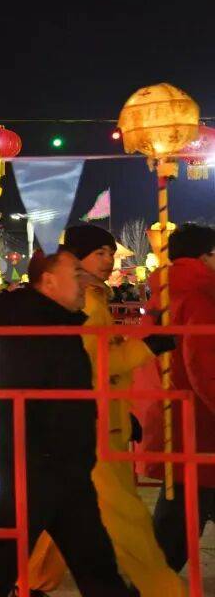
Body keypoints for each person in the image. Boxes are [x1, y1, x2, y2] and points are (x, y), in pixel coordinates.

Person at [19, 224, 185, 596]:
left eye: (110, 253)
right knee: (127, 519)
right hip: (93, 424)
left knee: (69, 510)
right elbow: (95, 365)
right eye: (100, 253)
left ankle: (28, 580)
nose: (108, 260)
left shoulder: (91, 298)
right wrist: (149, 347)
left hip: (92, 417)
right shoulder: (88, 303)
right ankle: (164, 590)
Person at [0, 251, 134, 597]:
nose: (84, 282)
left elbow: (69, 386)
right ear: (50, 281)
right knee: (5, 556)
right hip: (37, 461)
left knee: (93, 560)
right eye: (76, 274)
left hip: (62, 461)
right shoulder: (30, 325)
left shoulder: (56, 323)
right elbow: (43, 390)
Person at [139, 223, 215, 572]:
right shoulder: (200, 295)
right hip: (200, 422)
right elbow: (204, 365)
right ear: (205, 256)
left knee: (180, 510)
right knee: (179, 517)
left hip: (177, 415)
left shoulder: (168, 292)